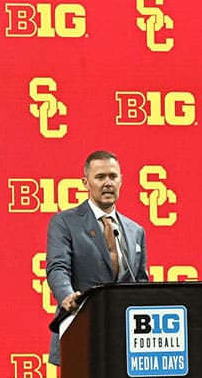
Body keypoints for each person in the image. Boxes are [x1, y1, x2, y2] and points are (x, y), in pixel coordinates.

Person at [45, 150, 149, 365]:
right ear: (86, 182)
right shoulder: (65, 223)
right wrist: (67, 296)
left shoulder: (135, 230)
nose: (108, 183)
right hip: (81, 328)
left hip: (126, 338)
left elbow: (140, 282)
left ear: (121, 180)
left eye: (113, 176)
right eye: (100, 177)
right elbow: (57, 268)